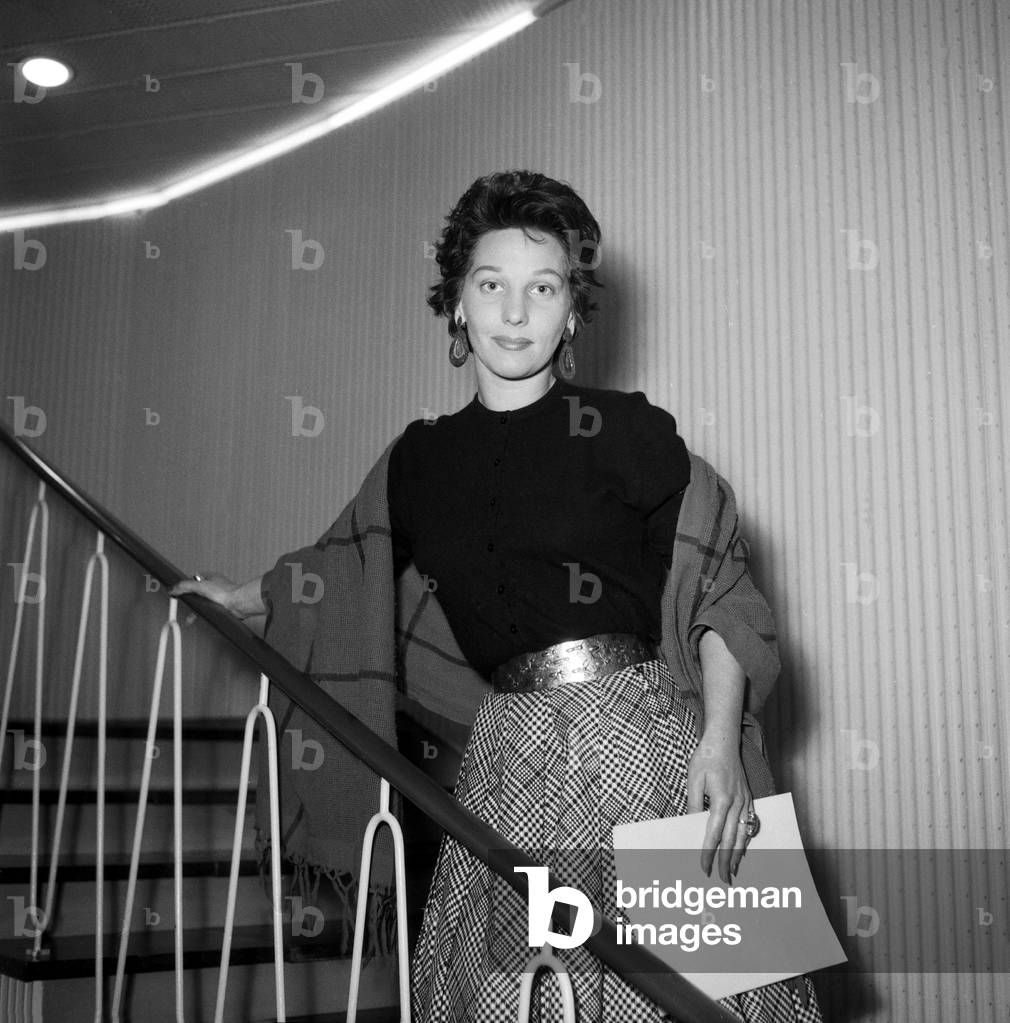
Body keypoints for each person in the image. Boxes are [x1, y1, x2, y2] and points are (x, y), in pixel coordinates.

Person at [172, 170, 822, 1022]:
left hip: (650, 750)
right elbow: (335, 568)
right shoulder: (419, 461)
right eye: (491, 286)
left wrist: (720, 745)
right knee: (515, 1000)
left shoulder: (629, 431)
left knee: (704, 999)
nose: (515, 313)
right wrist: (245, 596)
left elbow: (723, 593)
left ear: (572, 311)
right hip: (506, 762)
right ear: (457, 305)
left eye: (542, 288)